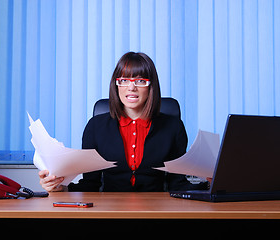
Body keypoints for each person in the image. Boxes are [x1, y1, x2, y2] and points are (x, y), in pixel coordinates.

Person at [39, 52, 209, 192]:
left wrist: (211, 184)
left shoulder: (173, 127)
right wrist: (59, 187)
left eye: (140, 81)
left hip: (157, 210)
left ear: (151, 87)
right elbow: (90, 184)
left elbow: (177, 183)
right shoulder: (96, 127)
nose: (131, 87)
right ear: (116, 85)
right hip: (109, 212)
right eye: (124, 80)